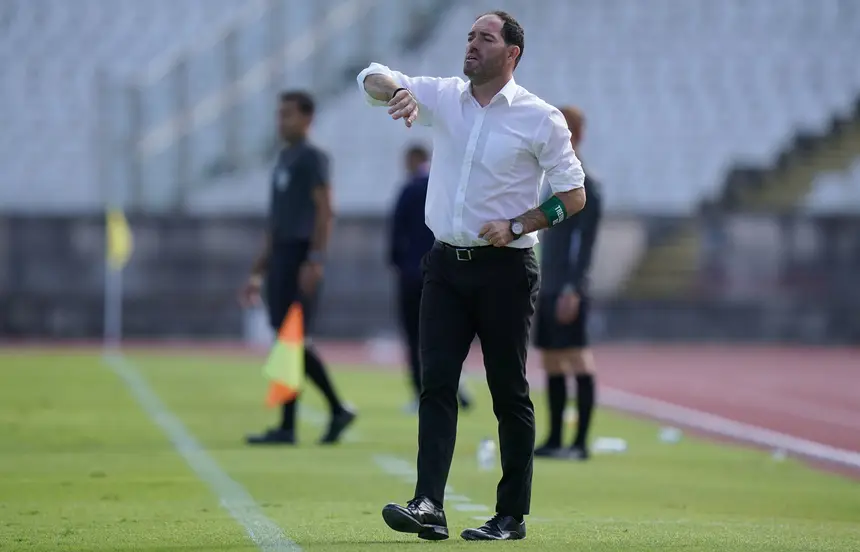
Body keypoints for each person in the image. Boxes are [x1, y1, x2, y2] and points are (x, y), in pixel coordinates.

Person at [358, 10, 586, 542]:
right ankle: (428, 505)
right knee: (436, 383)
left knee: (508, 391)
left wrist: (520, 224)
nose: (472, 45)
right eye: (469, 36)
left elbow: (573, 195)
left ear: (512, 53)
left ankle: (511, 515)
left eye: (485, 38)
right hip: (444, 265)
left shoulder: (540, 117)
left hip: (506, 269)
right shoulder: (443, 96)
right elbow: (370, 76)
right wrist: (397, 89)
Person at [239, 90, 356, 446]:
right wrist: (257, 271)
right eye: (279, 114)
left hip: (301, 255)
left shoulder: (312, 157)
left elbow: (325, 209)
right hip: (281, 256)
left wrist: (315, 258)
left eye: (288, 114)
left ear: (307, 118)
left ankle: (329, 410)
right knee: (286, 341)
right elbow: (276, 222)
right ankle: (297, 423)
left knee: (294, 340)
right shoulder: (284, 158)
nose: (281, 122)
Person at [532, 106, 603, 461]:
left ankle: (580, 443)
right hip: (550, 285)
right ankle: (556, 438)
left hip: (567, 288)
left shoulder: (585, 185)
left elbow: (583, 244)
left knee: (577, 358)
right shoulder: (553, 180)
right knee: (552, 360)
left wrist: (573, 288)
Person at [388, 144, 473, 413]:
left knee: (416, 337)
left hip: (414, 274)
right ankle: (455, 383)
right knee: (447, 334)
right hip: (447, 271)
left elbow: (396, 231)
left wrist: (398, 263)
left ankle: (421, 392)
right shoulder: (448, 187)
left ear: (414, 159)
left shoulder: (410, 189)